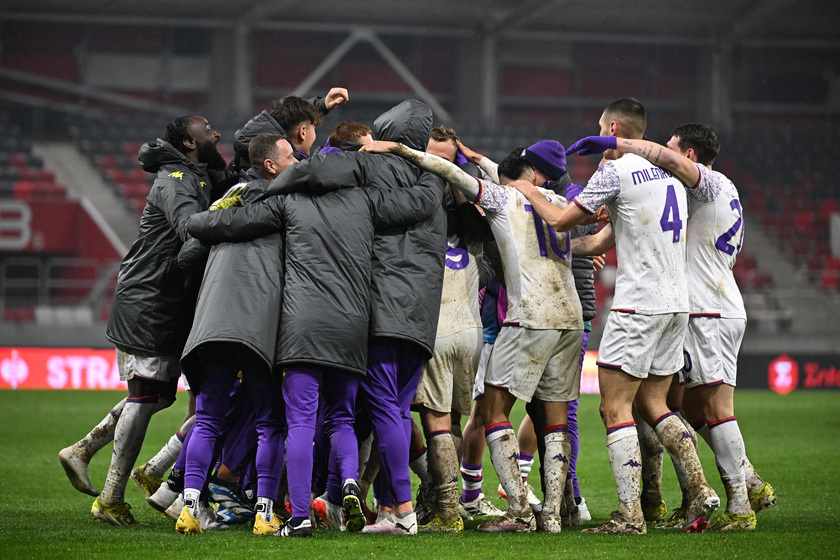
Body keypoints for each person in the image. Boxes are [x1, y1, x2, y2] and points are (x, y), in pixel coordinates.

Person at [189, 99, 448, 537]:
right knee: (347, 418)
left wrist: (198, 221)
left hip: (301, 328)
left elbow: (228, 225)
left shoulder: (289, 205)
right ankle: (349, 487)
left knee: (300, 422)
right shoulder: (367, 206)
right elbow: (418, 206)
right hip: (353, 326)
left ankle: (300, 514)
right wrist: (425, 170)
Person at [512, 98, 719, 534]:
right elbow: (602, 240)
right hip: (676, 304)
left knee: (613, 407)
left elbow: (564, 221)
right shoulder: (669, 173)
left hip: (637, 304)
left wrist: (528, 191)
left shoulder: (614, 170)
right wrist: (571, 253)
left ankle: (629, 515)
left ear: (611, 127)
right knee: (654, 404)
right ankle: (699, 489)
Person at [361, 141, 584, 535]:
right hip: (569, 319)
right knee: (556, 421)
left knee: (490, 412)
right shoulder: (554, 200)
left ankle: (513, 509)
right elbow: (509, 176)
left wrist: (400, 149)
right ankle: (550, 512)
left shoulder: (500, 196)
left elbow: (453, 175)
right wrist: (479, 157)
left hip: (527, 316)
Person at [570, 122, 775, 530]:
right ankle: (723, 488)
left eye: (671, 149)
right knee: (680, 406)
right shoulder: (698, 192)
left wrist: (614, 144)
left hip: (705, 309)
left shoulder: (709, 183)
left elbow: (662, 159)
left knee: (716, 410)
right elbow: (616, 231)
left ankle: (739, 503)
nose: (662, 153)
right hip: (703, 307)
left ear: (690, 156)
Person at [75, 115, 225, 526]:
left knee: (159, 396)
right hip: (150, 300)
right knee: (146, 397)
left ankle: (83, 450)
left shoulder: (192, 174)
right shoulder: (176, 179)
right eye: (206, 129)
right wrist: (224, 220)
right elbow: (189, 230)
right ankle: (110, 498)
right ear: (187, 142)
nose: (215, 133)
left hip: (161, 299)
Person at [171, 133, 297, 535]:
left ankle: (189, 509)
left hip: (211, 323)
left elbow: (187, 255)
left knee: (207, 418)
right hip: (257, 326)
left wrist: (212, 223)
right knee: (269, 422)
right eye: (292, 155)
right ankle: (263, 513)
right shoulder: (288, 204)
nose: (298, 161)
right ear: (271, 165)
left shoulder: (229, 203)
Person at [232, 88, 349, 170]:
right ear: (303, 132)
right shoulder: (291, 172)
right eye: (314, 128)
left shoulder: (253, 156)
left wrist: (321, 105)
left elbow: (285, 118)